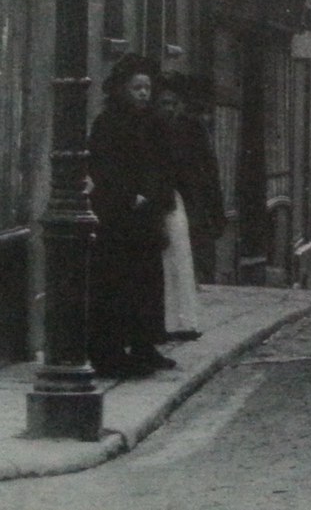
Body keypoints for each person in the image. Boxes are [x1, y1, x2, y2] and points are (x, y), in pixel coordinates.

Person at [87, 53, 177, 377]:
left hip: (145, 216)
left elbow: (164, 165)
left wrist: (154, 196)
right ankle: (109, 353)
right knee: (116, 285)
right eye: (137, 87)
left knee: (147, 284)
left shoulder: (154, 124)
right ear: (122, 89)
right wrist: (129, 195)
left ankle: (143, 346)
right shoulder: (107, 123)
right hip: (117, 217)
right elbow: (101, 168)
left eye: (147, 88)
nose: (143, 93)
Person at [154, 72, 224, 340]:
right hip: (161, 201)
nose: (169, 108)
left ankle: (182, 319)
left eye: (173, 103)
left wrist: (212, 209)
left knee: (182, 260)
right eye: (164, 103)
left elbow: (208, 169)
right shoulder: (150, 128)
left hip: (184, 203)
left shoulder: (191, 128)